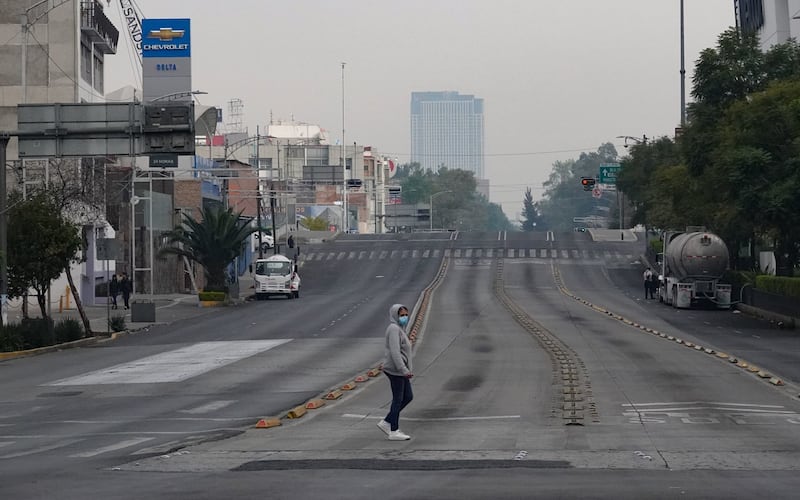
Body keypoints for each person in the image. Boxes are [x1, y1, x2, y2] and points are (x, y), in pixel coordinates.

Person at [377, 304, 414, 441]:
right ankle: (394, 430)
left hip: (399, 370)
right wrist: (404, 370)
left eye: (405, 315)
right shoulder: (393, 329)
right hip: (396, 370)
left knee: (408, 396)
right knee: (398, 399)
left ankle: (387, 422)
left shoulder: (400, 328)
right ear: (395, 315)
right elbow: (395, 352)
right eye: (401, 315)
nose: (404, 317)